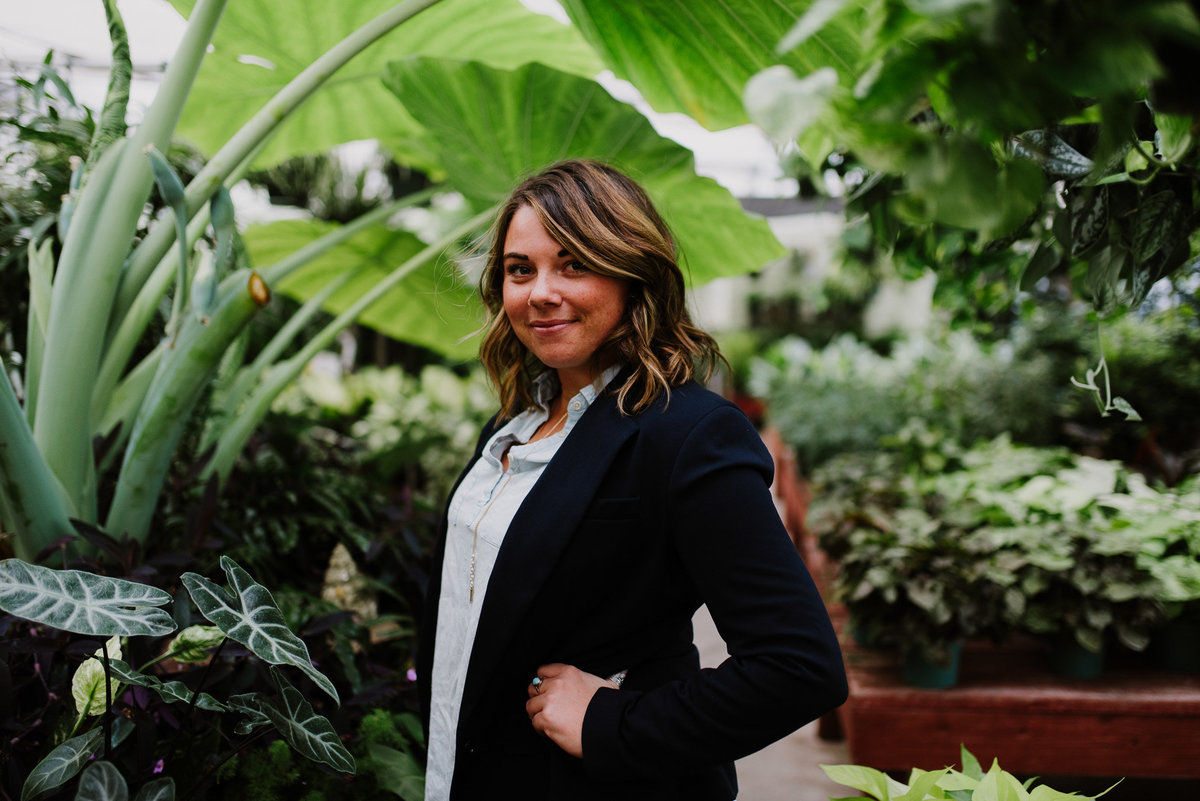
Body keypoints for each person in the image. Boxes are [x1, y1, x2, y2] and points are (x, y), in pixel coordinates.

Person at [417, 159, 846, 801]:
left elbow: (798, 668)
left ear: (631, 274)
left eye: (574, 264)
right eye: (519, 269)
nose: (539, 292)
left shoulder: (689, 433)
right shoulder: (513, 425)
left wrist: (611, 722)